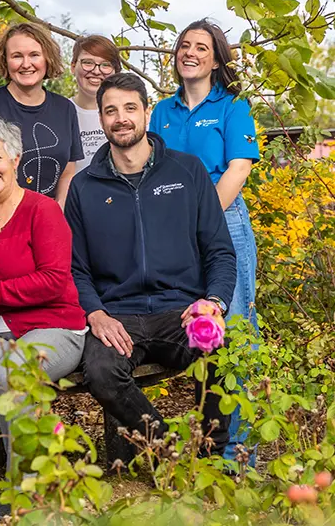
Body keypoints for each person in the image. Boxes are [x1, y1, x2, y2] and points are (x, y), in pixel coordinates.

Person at [65, 73, 237, 456]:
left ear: (146, 112)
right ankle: (169, 453)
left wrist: (213, 303)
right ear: (102, 119)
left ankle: (212, 459)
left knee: (221, 351)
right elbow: (75, 267)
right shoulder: (83, 186)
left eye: (130, 108)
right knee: (101, 372)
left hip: (181, 311)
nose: (121, 118)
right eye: (110, 111)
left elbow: (220, 251)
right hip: (118, 316)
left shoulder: (187, 171)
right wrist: (94, 312)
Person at [0, 118, 87, 523]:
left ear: (15, 158)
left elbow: (55, 281)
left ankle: (18, 485)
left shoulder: (42, 211)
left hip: (55, 326)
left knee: (11, 376)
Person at [149, 19, 261, 464]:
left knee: (233, 334)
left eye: (200, 46)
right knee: (200, 333)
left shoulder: (233, 106)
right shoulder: (161, 111)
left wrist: (200, 221)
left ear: (216, 58)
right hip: (174, 229)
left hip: (225, 223)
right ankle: (210, 448)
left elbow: (238, 169)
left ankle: (237, 454)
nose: (189, 52)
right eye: (183, 45)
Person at [0, 23, 83, 210]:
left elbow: (68, 171)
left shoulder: (65, 108)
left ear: (47, 58)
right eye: (17, 56)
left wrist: (56, 209)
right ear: (5, 60)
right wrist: (21, 217)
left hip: (45, 218)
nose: (26, 64)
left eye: (34, 55)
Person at [69, 35, 122, 173]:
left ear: (115, 71)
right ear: (73, 66)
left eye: (106, 65)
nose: (96, 71)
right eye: (88, 62)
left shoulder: (128, 116)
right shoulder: (59, 112)